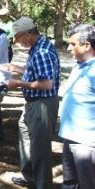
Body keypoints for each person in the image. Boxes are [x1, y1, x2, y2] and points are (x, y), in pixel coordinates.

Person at [6, 17, 60, 189]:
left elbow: (46, 83)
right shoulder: (38, 47)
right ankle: (30, 177)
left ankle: (42, 184)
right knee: (25, 136)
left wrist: (18, 83)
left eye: (18, 38)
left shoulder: (42, 51)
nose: (17, 42)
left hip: (42, 104)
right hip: (33, 103)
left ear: (28, 35)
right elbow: (36, 70)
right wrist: (16, 68)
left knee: (40, 147)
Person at [59, 24, 95, 189]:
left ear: (86, 45)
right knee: (69, 183)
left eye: (73, 44)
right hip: (70, 137)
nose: (68, 48)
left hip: (86, 144)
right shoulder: (78, 65)